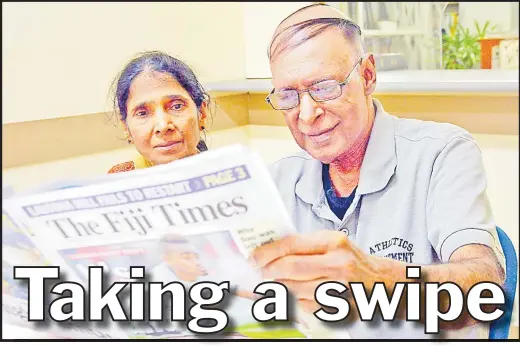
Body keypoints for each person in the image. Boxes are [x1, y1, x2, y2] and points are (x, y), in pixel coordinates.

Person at [250, 4, 506, 339]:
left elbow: (484, 284)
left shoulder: (441, 152)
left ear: (367, 75)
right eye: (288, 96)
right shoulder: (278, 181)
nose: (307, 114)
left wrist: (378, 281)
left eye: (325, 87)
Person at [107, 51, 210, 174]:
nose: (163, 126)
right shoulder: (118, 182)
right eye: (142, 113)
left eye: (177, 106)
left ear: (202, 113)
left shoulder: (229, 176)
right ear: (125, 126)